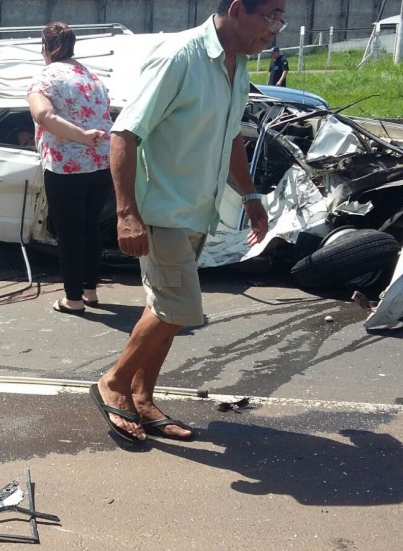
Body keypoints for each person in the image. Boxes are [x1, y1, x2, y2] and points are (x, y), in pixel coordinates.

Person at [92, 0, 277, 445]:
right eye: (270, 15)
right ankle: (114, 383)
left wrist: (250, 194)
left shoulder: (237, 67)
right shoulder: (182, 57)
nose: (276, 28)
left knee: (164, 307)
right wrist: (126, 213)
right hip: (161, 210)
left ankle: (143, 395)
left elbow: (232, 135)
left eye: (281, 17)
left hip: (198, 210)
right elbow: (125, 134)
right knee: (180, 309)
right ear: (237, 9)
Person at [27, 22, 113, 316]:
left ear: (46, 48)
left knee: (70, 233)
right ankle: (90, 291)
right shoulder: (93, 77)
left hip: (67, 168)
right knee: (91, 227)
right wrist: (91, 138)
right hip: (102, 164)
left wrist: (81, 136)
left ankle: (73, 299)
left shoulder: (46, 78)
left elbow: (43, 114)